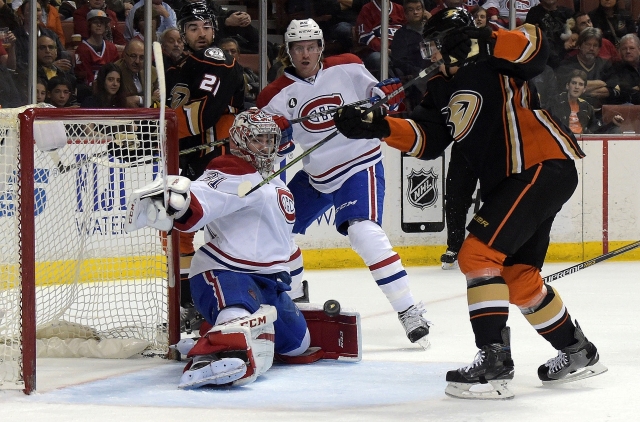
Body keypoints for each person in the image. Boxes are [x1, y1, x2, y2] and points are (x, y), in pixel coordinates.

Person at [334, 7, 607, 399]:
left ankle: (493, 364)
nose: (430, 55)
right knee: (518, 277)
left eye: (435, 45)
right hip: (516, 180)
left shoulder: (497, 57)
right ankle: (577, 350)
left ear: (452, 41)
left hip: (538, 164)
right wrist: (377, 126)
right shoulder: (441, 88)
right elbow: (427, 140)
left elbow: (538, 47)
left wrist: (488, 39)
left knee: (477, 256)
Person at [256, 18, 431, 349]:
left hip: (359, 164)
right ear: (288, 52)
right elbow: (265, 147)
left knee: (362, 231)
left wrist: (386, 97)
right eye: (298, 48)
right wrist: (277, 140)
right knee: (273, 229)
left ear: (321, 48)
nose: (305, 54)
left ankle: (409, 310)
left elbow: (380, 99)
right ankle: (293, 299)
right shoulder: (274, 95)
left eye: (311, 47)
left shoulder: (348, 66)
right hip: (318, 175)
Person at [124, 109, 311, 389]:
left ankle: (214, 334)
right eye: (258, 139)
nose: (266, 146)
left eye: (270, 140)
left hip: (269, 281)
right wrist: (182, 204)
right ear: (238, 141)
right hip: (225, 272)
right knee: (236, 313)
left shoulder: (270, 174)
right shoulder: (232, 168)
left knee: (298, 345)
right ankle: (209, 357)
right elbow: (202, 200)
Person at [164, 1, 245, 326]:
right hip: (191, 159)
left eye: (206, 27)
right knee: (178, 228)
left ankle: (243, 289)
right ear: (182, 32)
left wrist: (154, 132)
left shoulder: (217, 60)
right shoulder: (180, 68)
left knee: (224, 228)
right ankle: (188, 302)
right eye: (193, 27)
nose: (201, 33)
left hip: (219, 160)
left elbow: (204, 114)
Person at [556, 27, 616, 112]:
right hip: (571, 111)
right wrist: (601, 83)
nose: (591, 48)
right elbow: (565, 90)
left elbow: (612, 89)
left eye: (595, 45)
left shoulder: (605, 64)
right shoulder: (567, 65)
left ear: (599, 49)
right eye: (588, 44)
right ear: (579, 46)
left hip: (600, 112)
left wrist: (579, 90)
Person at [548, 69, 623, 133]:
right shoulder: (555, 102)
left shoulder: (586, 106)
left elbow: (596, 129)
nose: (577, 87)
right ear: (568, 85)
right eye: (574, 83)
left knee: (616, 130)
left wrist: (612, 124)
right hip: (563, 140)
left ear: (584, 89)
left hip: (584, 142)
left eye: (580, 84)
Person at [390, 0, 430, 111]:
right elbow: (398, 61)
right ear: (406, 14)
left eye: (418, 9)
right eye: (411, 10)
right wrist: (417, 70)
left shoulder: (431, 30)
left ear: (423, 11)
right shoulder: (401, 35)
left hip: (434, 68)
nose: (416, 12)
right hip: (415, 74)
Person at [355, 0, 406, 78]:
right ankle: (391, 88)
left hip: (399, 51)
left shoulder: (400, 9)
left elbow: (409, 32)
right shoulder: (367, 9)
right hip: (376, 52)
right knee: (380, 59)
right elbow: (365, 37)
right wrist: (384, 49)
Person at [74, 9, 119, 87]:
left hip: (110, 86)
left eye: (102, 22)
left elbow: (116, 70)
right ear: (89, 25)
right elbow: (84, 75)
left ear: (106, 26)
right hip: (90, 89)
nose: (99, 25)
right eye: (95, 22)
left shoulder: (111, 48)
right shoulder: (82, 49)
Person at [525, 0, 574, 68]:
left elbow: (579, 32)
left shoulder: (567, 12)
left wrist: (572, 39)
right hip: (544, 58)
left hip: (566, 57)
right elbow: (529, 36)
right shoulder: (534, 12)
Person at [115, 38, 160, 108]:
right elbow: (119, 101)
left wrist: (139, 99)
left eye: (142, 57)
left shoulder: (152, 71)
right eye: (133, 56)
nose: (137, 61)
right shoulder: (115, 71)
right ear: (125, 55)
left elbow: (158, 98)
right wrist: (151, 98)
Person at [219, 36, 259, 108]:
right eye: (225, 52)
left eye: (233, 51)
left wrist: (250, 87)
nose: (230, 54)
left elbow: (265, 85)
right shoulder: (215, 74)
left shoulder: (248, 72)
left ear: (238, 55)